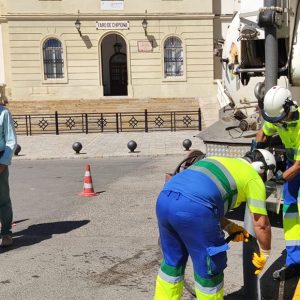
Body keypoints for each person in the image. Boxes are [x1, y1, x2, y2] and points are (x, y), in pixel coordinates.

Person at [154, 149, 276, 300]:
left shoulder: (219, 160)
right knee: (209, 271)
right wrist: (265, 252)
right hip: (194, 209)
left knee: (172, 264)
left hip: (165, 200)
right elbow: (261, 224)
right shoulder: (254, 178)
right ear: (262, 169)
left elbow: (203, 199)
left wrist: (229, 226)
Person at [256, 85, 300, 280]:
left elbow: (298, 166)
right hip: (294, 163)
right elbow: (264, 132)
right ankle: (294, 261)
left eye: (280, 120)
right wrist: (257, 151)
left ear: (289, 108)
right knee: (290, 211)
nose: (278, 124)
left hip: (297, 165)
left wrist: (278, 179)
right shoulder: (279, 117)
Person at [0, 97, 17, 247]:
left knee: (2, 197)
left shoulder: (4, 113)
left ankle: (6, 232)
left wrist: (3, 162)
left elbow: (11, 140)